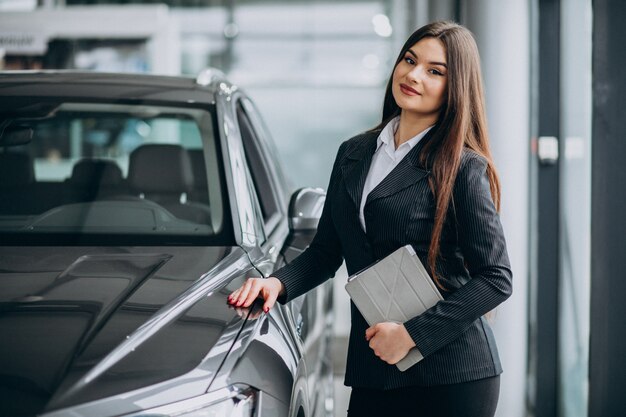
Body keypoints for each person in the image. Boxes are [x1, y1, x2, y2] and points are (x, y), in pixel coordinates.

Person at [228, 20, 512, 417]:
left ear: (456, 88)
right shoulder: (353, 152)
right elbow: (327, 251)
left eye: (435, 71)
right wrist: (277, 283)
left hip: (451, 375)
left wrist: (412, 336)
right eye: (409, 60)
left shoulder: (462, 167)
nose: (413, 75)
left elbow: (496, 278)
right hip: (375, 367)